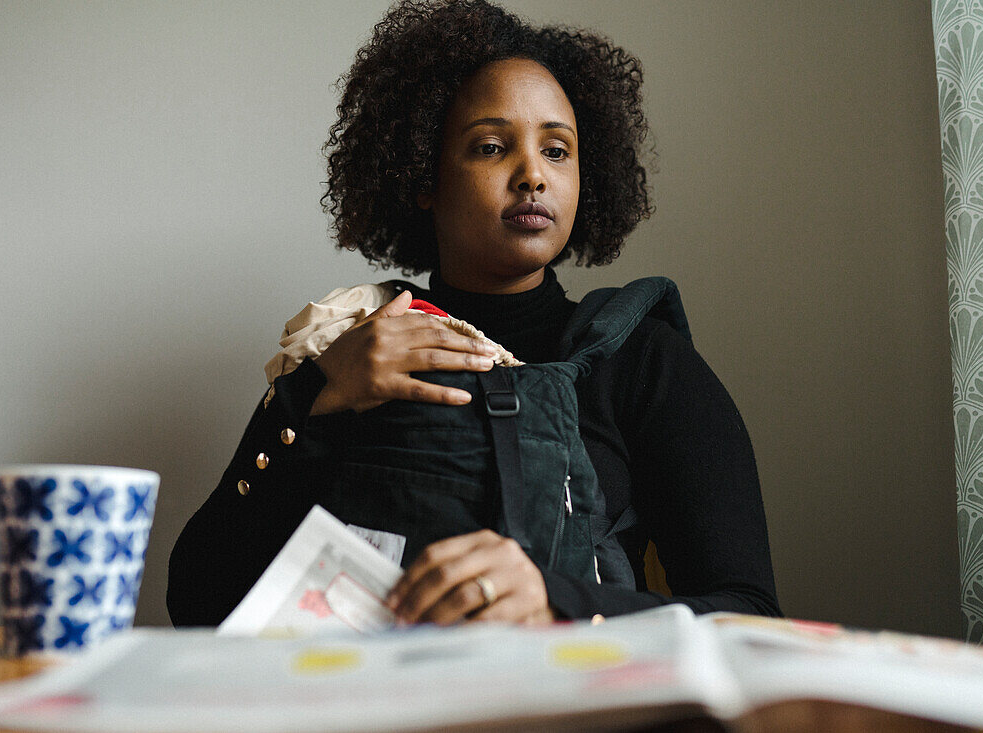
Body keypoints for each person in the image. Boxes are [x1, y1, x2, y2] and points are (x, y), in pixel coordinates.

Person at [167, 0, 782, 627]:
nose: (532, 176)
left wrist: (559, 601)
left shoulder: (642, 358)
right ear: (422, 175)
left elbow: (750, 611)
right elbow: (198, 602)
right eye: (491, 147)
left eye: (558, 150)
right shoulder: (357, 343)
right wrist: (313, 394)